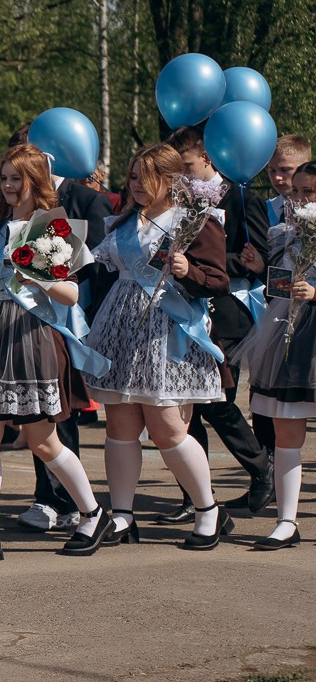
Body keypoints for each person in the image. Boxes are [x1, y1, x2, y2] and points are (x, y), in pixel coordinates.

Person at [0, 145, 112, 561]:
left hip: (31, 335)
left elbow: (72, 294)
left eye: (16, 178)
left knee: (41, 440)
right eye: (4, 178)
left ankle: (93, 513)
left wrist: (38, 278)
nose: (8, 186)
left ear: (35, 181)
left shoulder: (52, 227)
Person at [83, 142, 232, 550]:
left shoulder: (194, 220)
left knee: (168, 430)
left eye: (145, 178)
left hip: (168, 333)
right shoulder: (123, 222)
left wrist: (187, 271)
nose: (136, 185)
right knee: (120, 427)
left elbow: (219, 280)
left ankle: (208, 510)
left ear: (170, 181)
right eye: (133, 177)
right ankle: (123, 515)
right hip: (121, 331)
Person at [168, 126, 273, 519]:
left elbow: (255, 258)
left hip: (226, 313)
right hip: (184, 310)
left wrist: (203, 263)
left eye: (187, 166)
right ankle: (195, 496)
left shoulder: (242, 198)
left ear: (207, 158)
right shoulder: (178, 199)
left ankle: (261, 467)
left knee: (217, 402)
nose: (182, 176)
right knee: (186, 407)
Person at [19, 154, 118, 534]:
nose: (11, 184)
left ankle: (71, 503)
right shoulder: (11, 216)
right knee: (35, 417)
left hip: (66, 321)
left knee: (61, 414)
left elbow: (96, 265)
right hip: (21, 327)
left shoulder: (88, 199)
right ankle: (47, 497)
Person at [229, 158, 316, 549]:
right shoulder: (285, 232)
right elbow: (279, 287)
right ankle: (286, 520)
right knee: (286, 429)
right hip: (288, 332)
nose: (299, 199)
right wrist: (263, 267)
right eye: (296, 191)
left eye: (308, 192)